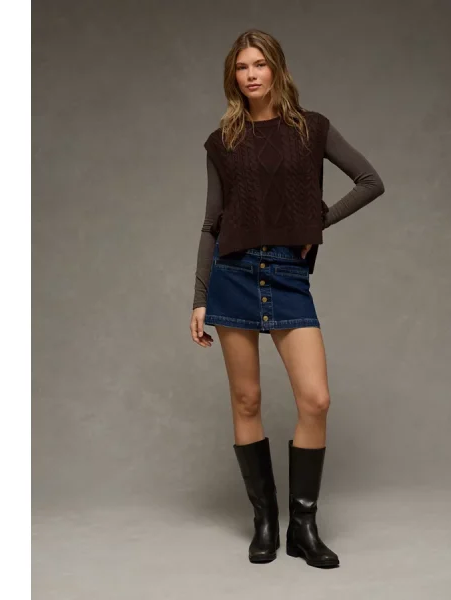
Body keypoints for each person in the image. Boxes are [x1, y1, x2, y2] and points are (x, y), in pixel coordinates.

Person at [189, 29, 385, 569]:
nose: (250, 75)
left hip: (286, 273)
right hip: (232, 272)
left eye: (259, 64)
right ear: (233, 76)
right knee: (247, 400)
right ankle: (265, 524)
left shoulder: (311, 128)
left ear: (276, 68)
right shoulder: (222, 140)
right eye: (241, 67)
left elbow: (370, 181)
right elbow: (210, 224)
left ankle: (303, 526)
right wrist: (200, 296)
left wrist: (315, 223)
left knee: (315, 399)